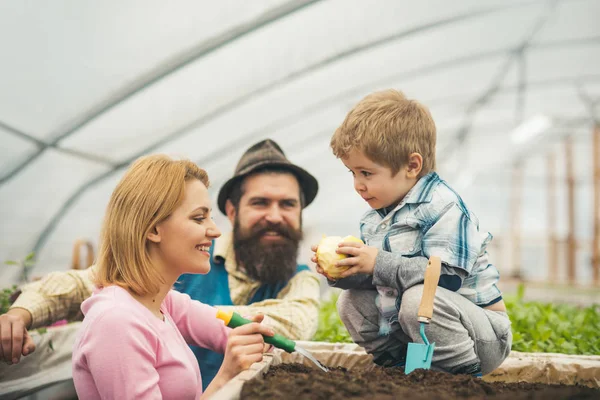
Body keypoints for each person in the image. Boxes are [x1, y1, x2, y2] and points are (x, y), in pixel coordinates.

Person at [1, 139, 321, 388]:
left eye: (288, 205)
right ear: (233, 211)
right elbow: (87, 285)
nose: (276, 216)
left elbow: (277, 326)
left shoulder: (167, 298)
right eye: (261, 203)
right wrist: (20, 313)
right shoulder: (134, 306)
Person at [311, 90, 512, 376]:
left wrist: (377, 261)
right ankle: (397, 370)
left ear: (411, 166)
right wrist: (347, 270)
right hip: (415, 328)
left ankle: (460, 379)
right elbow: (381, 278)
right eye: (352, 173)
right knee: (351, 302)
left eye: (366, 173)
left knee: (419, 298)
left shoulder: (443, 207)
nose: (357, 184)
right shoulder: (375, 219)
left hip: (480, 336)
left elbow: (447, 278)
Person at [72, 154, 275, 399]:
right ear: (153, 229)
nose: (215, 230)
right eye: (199, 218)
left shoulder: (161, 302)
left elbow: (228, 328)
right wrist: (226, 376)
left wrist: (257, 331)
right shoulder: (117, 322)